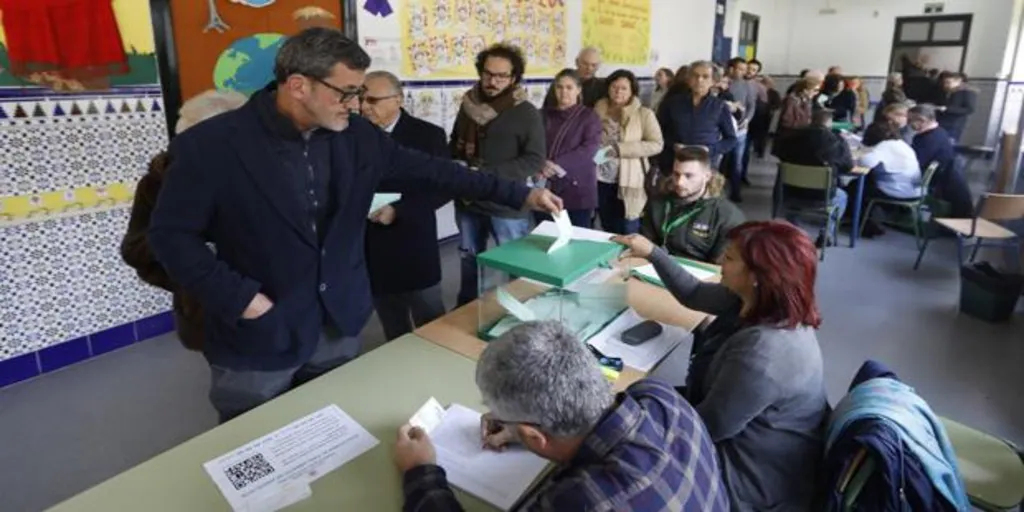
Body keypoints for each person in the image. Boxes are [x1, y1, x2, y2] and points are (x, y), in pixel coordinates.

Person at [147, 29, 562, 423]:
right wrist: (240, 297)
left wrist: (520, 194)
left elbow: (436, 172)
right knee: (254, 450)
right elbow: (170, 236)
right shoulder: (212, 146)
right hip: (258, 335)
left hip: (337, 326)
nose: (355, 104)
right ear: (298, 86)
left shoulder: (357, 137)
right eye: (346, 93)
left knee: (327, 430)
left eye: (360, 94)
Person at [393, 321, 731, 511]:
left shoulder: (577, 502)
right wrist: (519, 429)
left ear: (535, 436)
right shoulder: (661, 397)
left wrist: (420, 471)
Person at [613, 220, 829, 511]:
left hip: (749, 476)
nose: (719, 261)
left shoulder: (763, 354)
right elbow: (693, 293)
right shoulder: (754, 300)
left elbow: (705, 429)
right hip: (741, 432)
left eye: (728, 258)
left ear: (757, 276)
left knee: (624, 444)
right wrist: (652, 252)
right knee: (636, 398)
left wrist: (624, 430)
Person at [121, 89, 248, 353]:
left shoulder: (263, 175)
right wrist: (188, 272)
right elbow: (134, 250)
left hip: (276, 311)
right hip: (210, 320)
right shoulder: (157, 183)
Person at [450, 43, 546, 306]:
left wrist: (486, 174)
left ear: (513, 78)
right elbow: (456, 140)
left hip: (506, 203)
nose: (493, 81)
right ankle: (467, 308)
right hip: (468, 198)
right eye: (488, 74)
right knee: (469, 259)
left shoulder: (526, 112)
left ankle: (521, 311)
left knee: (515, 264)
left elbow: (535, 159)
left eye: (501, 76)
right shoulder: (469, 104)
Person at [360, 71, 449, 341]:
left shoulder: (428, 136)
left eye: (373, 100)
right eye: (361, 98)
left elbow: (442, 188)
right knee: (392, 322)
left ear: (397, 99)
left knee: (431, 320)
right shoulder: (354, 134)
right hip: (371, 245)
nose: (364, 106)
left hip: (413, 242)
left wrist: (400, 210)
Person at [641, 146, 744, 264]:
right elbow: (646, 244)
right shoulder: (657, 202)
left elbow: (720, 265)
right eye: (676, 174)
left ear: (707, 176)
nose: (679, 182)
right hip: (656, 267)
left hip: (700, 276)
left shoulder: (727, 216)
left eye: (688, 176)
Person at [593, 69, 663, 235]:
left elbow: (656, 144)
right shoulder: (596, 111)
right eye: (614, 87)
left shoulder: (644, 114)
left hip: (629, 180)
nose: (618, 91)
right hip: (600, 178)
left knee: (627, 227)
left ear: (632, 91)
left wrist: (621, 149)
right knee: (604, 226)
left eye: (624, 88)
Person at [774, 109, 853, 244]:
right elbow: (847, 167)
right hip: (822, 196)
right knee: (842, 196)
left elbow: (779, 155)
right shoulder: (837, 142)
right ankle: (826, 232)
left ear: (811, 120)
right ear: (829, 123)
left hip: (790, 192)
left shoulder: (790, 138)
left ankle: (794, 231)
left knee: (787, 190)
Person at [539, 68, 602, 228]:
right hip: (545, 185)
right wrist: (541, 163)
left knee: (578, 240)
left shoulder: (589, 116)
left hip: (577, 188)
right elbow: (533, 143)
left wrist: (555, 165)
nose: (563, 92)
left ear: (578, 90)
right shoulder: (544, 115)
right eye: (559, 87)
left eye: (569, 87)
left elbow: (589, 149)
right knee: (545, 236)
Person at [658, 61, 737, 173]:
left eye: (705, 77)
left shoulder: (719, 106)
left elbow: (731, 139)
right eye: (695, 76)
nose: (699, 80)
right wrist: (672, 145)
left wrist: (710, 150)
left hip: (705, 164)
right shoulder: (672, 103)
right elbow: (658, 132)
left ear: (713, 81)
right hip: (675, 163)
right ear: (688, 79)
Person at [849, 121, 922, 237]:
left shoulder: (883, 147)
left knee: (856, 187)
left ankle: (862, 225)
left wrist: (863, 152)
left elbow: (865, 163)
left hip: (897, 191)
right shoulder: (900, 144)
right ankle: (862, 221)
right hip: (913, 190)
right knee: (861, 183)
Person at [908, 104, 973, 217]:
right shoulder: (940, 132)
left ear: (921, 120)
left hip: (927, 181)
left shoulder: (928, 139)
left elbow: (917, 163)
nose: (908, 123)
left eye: (910, 120)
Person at [725, 57, 757, 201]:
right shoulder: (723, 83)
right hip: (722, 129)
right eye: (740, 69)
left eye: (745, 70)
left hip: (740, 129)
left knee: (737, 161)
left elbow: (751, 105)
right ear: (731, 68)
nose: (743, 72)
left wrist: (747, 120)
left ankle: (736, 192)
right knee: (722, 162)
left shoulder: (747, 85)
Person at [774, 78, 818, 155]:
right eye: (814, 90)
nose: (816, 93)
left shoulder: (806, 100)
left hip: (799, 133)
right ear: (805, 90)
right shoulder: (792, 100)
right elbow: (787, 118)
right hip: (791, 134)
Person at [936, 72, 976, 143]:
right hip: (942, 122)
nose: (946, 85)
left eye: (948, 82)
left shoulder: (967, 92)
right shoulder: (948, 91)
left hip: (954, 124)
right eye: (945, 82)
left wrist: (947, 109)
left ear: (958, 81)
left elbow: (969, 109)